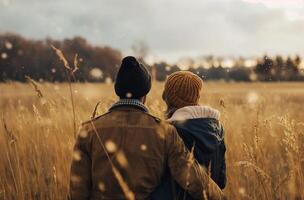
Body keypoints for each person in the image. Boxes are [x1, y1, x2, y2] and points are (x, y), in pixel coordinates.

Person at [69, 57, 225, 200]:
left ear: (118, 90)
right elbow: (191, 177)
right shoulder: (165, 131)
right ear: (145, 93)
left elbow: (77, 190)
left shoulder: (89, 130)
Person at [153, 71, 226, 199]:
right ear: (196, 97)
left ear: (168, 98)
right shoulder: (217, 127)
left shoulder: (170, 131)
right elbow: (221, 181)